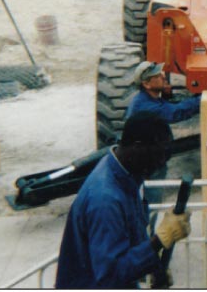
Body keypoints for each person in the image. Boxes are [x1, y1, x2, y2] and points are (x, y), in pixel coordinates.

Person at [55, 113, 189, 288]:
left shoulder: (126, 172)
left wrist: (154, 267)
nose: (160, 164)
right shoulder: (105, 200)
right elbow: (110, 276)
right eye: (158, 156)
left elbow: (134, 233)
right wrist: (159, 241)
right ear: (137, 147)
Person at [126, 61, 200, 222]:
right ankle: (147, 237)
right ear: (146, 83)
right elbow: (176, 112)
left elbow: (170, 105)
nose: (163, 76)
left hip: (148, 157)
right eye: (157, 76)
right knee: (151, 204)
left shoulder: (148, 99)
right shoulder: (146, 106)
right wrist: (203, 98)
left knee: (147, 203)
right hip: (147, 162)